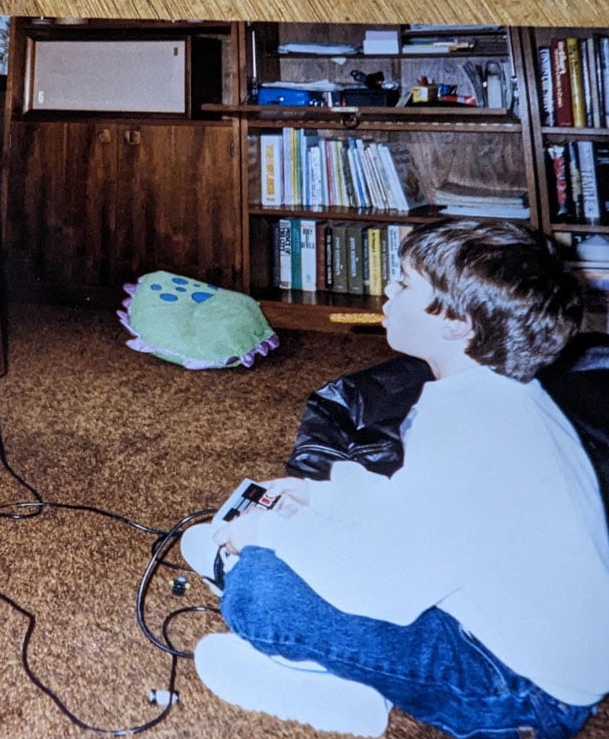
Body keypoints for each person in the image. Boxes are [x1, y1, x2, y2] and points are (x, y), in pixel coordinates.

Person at [181, 219, 609, 738]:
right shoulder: (495, 396)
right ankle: (296, 608)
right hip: (497, 623)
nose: (387, 290)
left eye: (405, 283)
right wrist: (321, 495)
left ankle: (345, 693)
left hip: (519, 686)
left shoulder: (472, 434)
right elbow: (416, 512)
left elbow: (383, 585)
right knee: (268, 553)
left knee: (257, 593)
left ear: (457, 322)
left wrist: (269, 535)